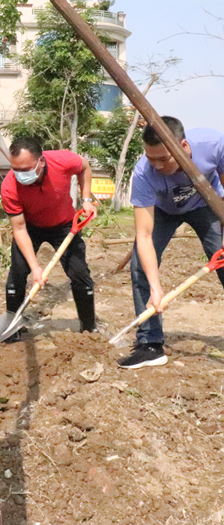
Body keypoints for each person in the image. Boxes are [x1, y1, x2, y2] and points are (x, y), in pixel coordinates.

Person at [118, 117, 224, 369]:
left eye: (163, 159)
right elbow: (143, 236)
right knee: (140, 266)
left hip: (207, 204)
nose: (156, 165)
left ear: (184, 146)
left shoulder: (213, 144)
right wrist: (155, 287)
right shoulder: (144, 173)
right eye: (150, 157)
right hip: (163, 211)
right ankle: (150, 344)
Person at [0, 136, 97, 341]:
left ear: (41, 162)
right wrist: (36, 268)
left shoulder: (62, 160)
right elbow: (19, 229)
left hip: (64, 226)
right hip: (30, 227)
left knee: (80, 274)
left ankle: (89, 329)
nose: (20, 175)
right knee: (17, 274)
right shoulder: (9, 187)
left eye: (26, 169)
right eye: (15, 169)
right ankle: (11, 329)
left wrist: (86, 199)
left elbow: (85, 167)